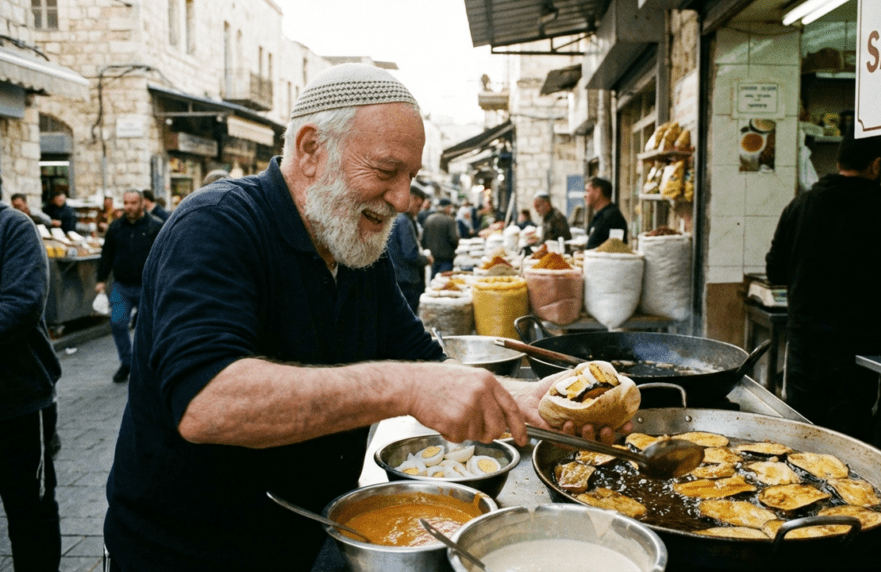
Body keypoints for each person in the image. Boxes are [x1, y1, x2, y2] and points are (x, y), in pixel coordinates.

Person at [102, 64, 619, 572]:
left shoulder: (353, 247)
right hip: (184, 555)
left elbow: (424, 362)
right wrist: (404, 386)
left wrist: (534, 404)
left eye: (410, 177)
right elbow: (207, 402)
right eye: (386, 171)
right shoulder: (216, 225)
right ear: (310, 150)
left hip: (310, 538)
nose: (402, 199)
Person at [765, 134, 881, 444]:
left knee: (799, 437)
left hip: (804, 348)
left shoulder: (799, 207)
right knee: (849, 446)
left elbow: (775, 271)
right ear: (877, 164)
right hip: (859, 358)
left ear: (838, 163)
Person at [0, 201, 63, 571]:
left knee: (29, 511)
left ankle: (125, 361)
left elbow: (23, 303)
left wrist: (105, 281)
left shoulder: (13, 227)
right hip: (116, 283)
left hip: (17, 401)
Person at [95, 189, 163, 383]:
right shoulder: (115, 227)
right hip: (121, 285)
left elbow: (162, 257)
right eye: (125, 203)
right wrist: (101, 280)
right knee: (117, 323)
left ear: (142, 203)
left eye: (133, 203)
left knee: (147, 328)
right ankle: (127, 362)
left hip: (146, 287)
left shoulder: (155, 226)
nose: (128, 207)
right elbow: (106, 254)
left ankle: (147, 365)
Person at [387, 184, 432, 312]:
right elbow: (410, 254)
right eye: (418, 205)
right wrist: (427, 259)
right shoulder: (404, 221)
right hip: (407, 279)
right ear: (412, 199)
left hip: (398, 276)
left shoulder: (396, 217)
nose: (419, 210)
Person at [584, 176, 628, 249]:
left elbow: (616, 248)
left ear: (598, 191)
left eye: (588, 191)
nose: (585, 195)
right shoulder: (599, 216)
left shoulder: (613, 217)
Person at [421, 196, 460, 276]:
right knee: (444, 282)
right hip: (446, 258)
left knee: (434, 282)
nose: (450, 209)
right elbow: (454, 239)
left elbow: (423, 239)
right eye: (450, 207)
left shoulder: (429, 219)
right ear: (447, 208)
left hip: (432, 258)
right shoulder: (449, 220)